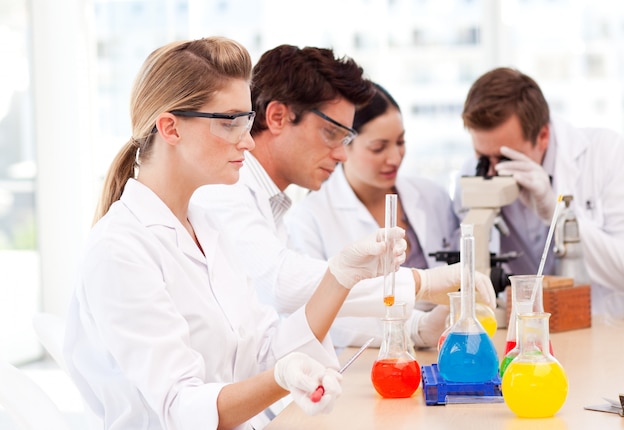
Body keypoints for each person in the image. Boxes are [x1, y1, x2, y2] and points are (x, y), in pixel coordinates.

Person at [62, 36, 408, 430]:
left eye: (247, 120)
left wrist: (340, 276)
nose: (247, 139)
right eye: (230, 122)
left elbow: (265, 351)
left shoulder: (207, 228)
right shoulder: (120, 249)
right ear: (170, 128)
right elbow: (181, 407)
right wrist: (280, 378)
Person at [191, 45, 496, 350]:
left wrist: (417, 328)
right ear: (278, 117)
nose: (340, 153)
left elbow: (319, 310)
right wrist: (422, 284)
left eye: (346, 138)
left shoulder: (271, 203)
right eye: (330, 133)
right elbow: (283, 285)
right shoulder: (222, 191)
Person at [285, 82, 468, 348]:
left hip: (446, 348)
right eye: (379, 147)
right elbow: (319, 314)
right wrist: (416, 328)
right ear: (344, 144)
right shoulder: (308, 219)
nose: (395, 158)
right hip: (368, 360)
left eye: (401, 142)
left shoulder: (432, 196)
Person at [455, 66, 624, 319]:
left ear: (542, 136)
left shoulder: (606, 154)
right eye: (483, 157)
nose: (494, 169)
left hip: (600, 328)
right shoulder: (472, 176)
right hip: (522, 331)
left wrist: (555, 215)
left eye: (505, 157)